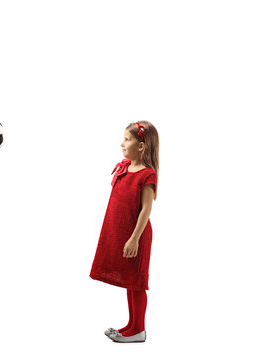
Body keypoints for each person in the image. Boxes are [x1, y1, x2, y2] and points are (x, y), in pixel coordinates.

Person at [89, 121, 159, 343]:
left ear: (141, 146)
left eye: (127, 139)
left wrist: (134, 238)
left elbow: (146, 209)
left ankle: (139, 329)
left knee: (137, 283)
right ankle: (131, 325)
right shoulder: (125, 166)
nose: (122, 143)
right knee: (130, 282)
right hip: (122, 234)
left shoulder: (146, 174)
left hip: (136, 236)